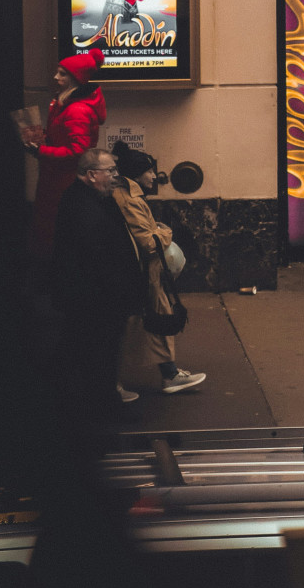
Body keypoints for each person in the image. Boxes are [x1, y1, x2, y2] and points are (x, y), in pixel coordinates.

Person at [49, 146, 147, 417]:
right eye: (111, 171)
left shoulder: (91, 197)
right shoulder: (84, 207)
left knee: (79, 350)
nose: (116, 175)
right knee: (100, 354)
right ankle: (105, 409)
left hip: (90, 297)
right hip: (95, 299)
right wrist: (118, 294)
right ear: (92, 175)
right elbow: (97, 259)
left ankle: (66, 399)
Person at [110, 142, 205, 395]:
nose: (154, 176)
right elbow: (148, 242)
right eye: (150, 171)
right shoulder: (129, 198)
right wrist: (165, 232)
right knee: (137, 327)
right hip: (141, 274)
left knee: (152, 321)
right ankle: (114, 382)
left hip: (143, 274)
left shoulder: (130, 195)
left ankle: (170, 374)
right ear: (137, 173)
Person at [22, 48, 106, 260]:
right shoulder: (64, 103)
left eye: (62, 73)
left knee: (55, 232)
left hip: (63, 180)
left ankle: (52, 280)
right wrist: (43, 138)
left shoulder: (76, 110)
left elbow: (78, 151)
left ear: (75, 79)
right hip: (57, 177)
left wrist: (41, 150)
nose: (55, 77)